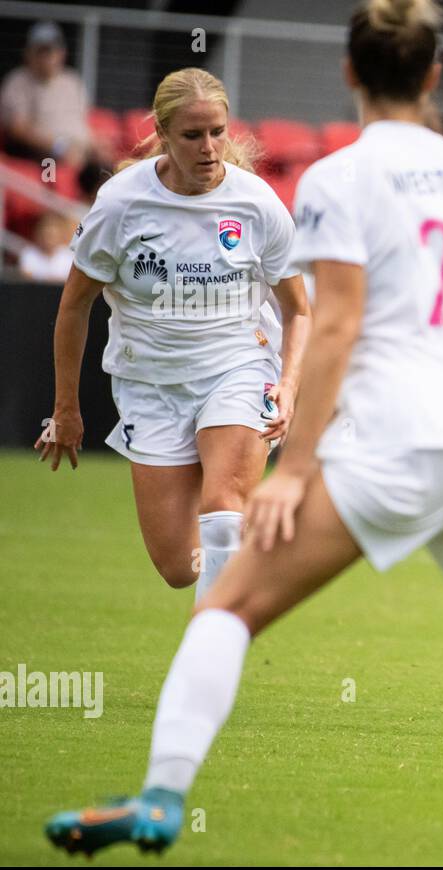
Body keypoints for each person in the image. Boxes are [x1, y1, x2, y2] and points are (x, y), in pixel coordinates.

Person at [44, 0, 443, 868]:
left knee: (224, 608)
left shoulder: (338, 175)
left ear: (349, 74)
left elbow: (331, 325)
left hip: (402, 439)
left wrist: (295, 469)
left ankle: (160, 796)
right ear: (436, 75)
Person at [35, 67, 311, 606]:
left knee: (223, 503)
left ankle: (210, 655)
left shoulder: (257, 203)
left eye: (218, 132)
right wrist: (65, 407)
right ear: (162, 134)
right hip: (151, 382)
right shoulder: (120, 204)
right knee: (178, 566)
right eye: (192, 135)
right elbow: (74, 303)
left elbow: (298, 309)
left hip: (238, 365)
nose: (209, 148)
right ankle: (232, 568)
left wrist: (291, 383)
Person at [0, 21, 109, 196]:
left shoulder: (72, 81)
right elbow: (17, 129)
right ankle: (49, 212)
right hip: (43, 153)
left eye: (51, 51)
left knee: (108, 166)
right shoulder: (17, 82)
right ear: (28, 53)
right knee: (50, 170)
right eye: (41, 51)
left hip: (79, 150)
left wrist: (95, 145)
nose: (47, 57)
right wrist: (60, 146)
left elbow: (82, 122)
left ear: (61, 53)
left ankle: (96, 215)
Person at [18, 211, 75, 282]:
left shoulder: (68, 255)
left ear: (59, 235)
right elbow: (26, 276)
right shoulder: (29, 253)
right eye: (46, 234)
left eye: (52, 235)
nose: (48, 239)